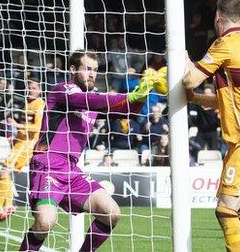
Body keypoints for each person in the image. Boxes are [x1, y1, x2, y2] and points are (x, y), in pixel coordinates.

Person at [19, 50, 158, 251]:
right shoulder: (62, 90)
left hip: (72, 170)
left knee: (111, 212)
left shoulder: (92, 101)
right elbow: (89, 101)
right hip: (48, 164)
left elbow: (128, 110)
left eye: (95, 70)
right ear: (73, 70)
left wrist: (145, 91)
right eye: (87, 69)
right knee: (45, 223)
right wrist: (130, 95)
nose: (92, 74)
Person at [182, 0, 240, 251]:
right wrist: (198, 99)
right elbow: (234, 98)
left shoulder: (224, 44)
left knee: (226, 209)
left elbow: (190, 80)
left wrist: (184, 62)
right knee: (233, 209)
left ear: (217, 19)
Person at [0, 80, 45, 222]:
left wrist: (17, 126)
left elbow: (38, 128)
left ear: (40, 90)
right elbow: (26, 124)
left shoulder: (40, 104)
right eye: (29, 87)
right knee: (6, 173)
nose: (31, 90)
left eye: (34, 88)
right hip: (20, 143)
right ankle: (8, 206)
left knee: (4, 171)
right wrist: (16, 136)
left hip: (28, 145)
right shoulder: (26, 103)